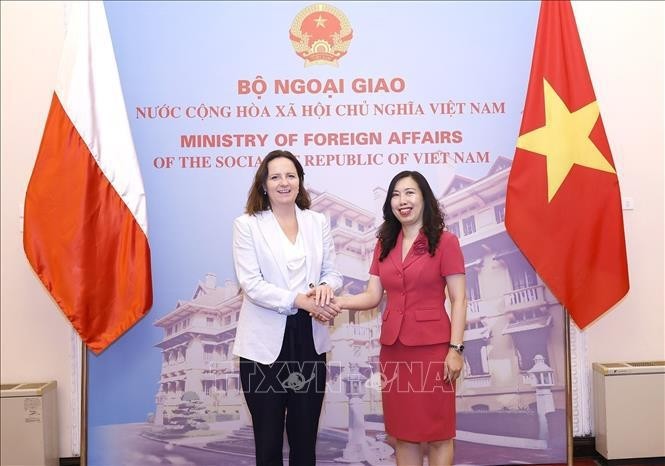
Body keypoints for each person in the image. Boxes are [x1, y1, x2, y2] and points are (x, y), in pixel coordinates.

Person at [331, 170, 467, 466]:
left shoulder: (446, 242)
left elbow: (459, 299)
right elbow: (372, 296)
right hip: (393, 351)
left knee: (439, 433)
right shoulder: (384, 244)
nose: (402, 200)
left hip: (434, 350)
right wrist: (336, 301)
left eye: (409, 193)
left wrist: (455, 350)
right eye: (396, 194)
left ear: (424, 199)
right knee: (402, 434)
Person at [231, 149, 342, 466]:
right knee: (267, 445)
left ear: (300, 181)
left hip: (309, 340)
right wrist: (297, 299)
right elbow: (251, 284)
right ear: (263, 184)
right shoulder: (247, 225)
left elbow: (332, 272)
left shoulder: (316, 221)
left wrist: (325, 287)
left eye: (290, 175)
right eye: (275, 176)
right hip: (262, 348)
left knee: (305, 443)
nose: (284, 182)